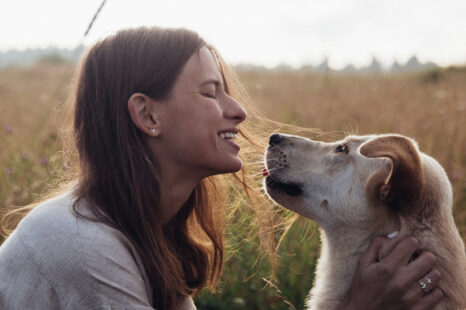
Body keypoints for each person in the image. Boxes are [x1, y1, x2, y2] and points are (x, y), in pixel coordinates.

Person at [0, 26, 443, 310]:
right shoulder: (85, 245)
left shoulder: (147, 235)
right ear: (148, 116)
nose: (238, 111)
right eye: (211, 92)